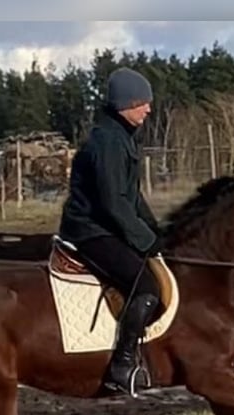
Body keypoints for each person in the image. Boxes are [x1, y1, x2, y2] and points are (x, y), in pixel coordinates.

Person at [58, 67, 163, 398]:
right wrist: (145, 241)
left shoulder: (122, 138)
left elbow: (134, 198)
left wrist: (157, 233)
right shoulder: (108, 143)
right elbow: (112, 203)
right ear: (127, 104)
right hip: (90, 231)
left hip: (103, 226)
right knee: (145, 284)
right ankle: (122, 366)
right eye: (143, 103)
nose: (148, 109)